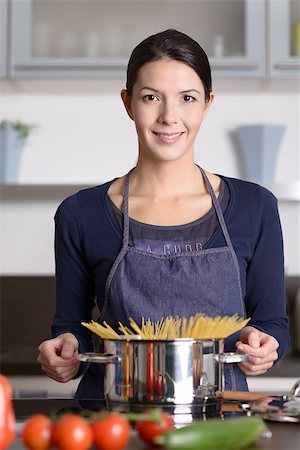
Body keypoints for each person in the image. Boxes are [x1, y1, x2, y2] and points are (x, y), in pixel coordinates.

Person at [37, 29, 289, 398]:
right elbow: (70, 325)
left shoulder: (256, 206)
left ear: (207, 103)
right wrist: (62, 348)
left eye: (187, 98)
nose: (170, 116)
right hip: (113, 421)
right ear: (128, 104)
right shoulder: (80, 213)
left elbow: (273, 323)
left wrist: (264, 344)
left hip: (219, 420)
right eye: (151, 97)